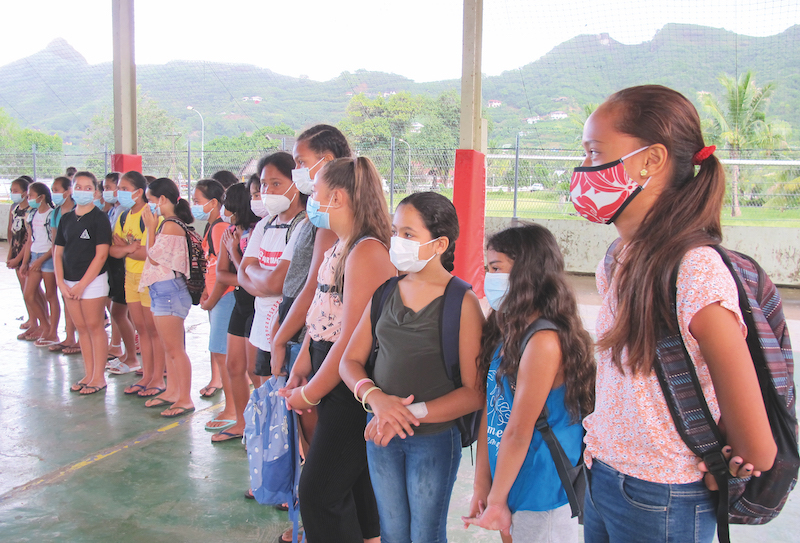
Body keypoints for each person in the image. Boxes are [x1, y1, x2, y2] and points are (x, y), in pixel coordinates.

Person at [572, 85, 776, 543]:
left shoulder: (695, 270)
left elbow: (758, 448)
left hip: (663, 498)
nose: (584, 168)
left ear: (651, 160)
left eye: (594, 152)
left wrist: (730, 461)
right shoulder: (618, 259)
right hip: (603, 475)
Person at [340, 191, 485, 542]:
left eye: (408, 234)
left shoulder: (462, 303)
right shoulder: (385, 292)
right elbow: (349, 361)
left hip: (433, 440)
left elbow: (474, 392)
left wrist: (406, 413)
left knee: (425, 534)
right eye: (395, 232)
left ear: (439, 244)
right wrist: (376, 400)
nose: (397, 241)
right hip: (381, 432)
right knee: (391, 531)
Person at [279, 156, 395, 543]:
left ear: (338, 198)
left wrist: (310, 393)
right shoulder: (343, 245)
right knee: (355, 487)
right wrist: (303, 365)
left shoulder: (367, 252)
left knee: (319, 492)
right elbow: (322, 311)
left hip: (349, 387)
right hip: (329, 373)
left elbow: (350, 341)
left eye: (316, 193)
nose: (311, 201)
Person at [462, 224, 596, 542]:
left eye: (497, 268)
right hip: (509, 479)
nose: (489, 278)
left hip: (539, 489)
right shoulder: (509, 331)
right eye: (488, 268)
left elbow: (519, 431)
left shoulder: (543, 341)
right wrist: (484, 484)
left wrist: (497, 498)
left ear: (528, 272)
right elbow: (492, 410)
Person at [235, 152, 306, 440]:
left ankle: (292, 453)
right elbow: (242, 274)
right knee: (265, 390)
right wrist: (263, 280)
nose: (267, 191)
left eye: (276, 183)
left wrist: (258, 276)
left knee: (288, 399)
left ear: (295, 183)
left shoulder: (302, 226)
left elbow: (278, 283)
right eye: (264, 184)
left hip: (287, 328)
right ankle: (269, 446)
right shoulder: (265, 224)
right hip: (261, 325)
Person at [204, 181, 262, 437]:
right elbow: (222, 274)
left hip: (258, 306)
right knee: (233, 366)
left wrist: (236, 257)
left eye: (228, 204)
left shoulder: (258, 231)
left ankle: (261, 426)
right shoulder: (229, 231)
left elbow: (256, 277)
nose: (224, 210)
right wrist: (244, 277)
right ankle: (242, 422)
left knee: (255, 371)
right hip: (241, 303)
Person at [139, 177, 195, 418]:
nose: (148, 206)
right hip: (162, 290)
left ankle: (184, 398)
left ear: (161, 199)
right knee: (169, 347)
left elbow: (153, 257)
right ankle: (172, 391)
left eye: (150, 200)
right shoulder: (168, 224)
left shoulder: (170, 225)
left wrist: (150, 228)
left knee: (175, 349)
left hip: (169, 291)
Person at [54, 171, 112, 395]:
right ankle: (89, 374)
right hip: (69, 282)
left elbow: (101, 255)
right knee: (82, 329)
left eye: (88, 188)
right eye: (78, 186)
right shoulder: (67, 218)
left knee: (95, 327)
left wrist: (82, 285)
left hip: (93, 282)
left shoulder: (99, 218)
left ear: (96, 192)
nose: (83, 191)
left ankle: (99, 377)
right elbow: (58, 253)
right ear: (72, 189)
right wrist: (61, 282)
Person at [111, 171, 166, 398]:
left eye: (125, 188)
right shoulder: (124, 216)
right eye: (119, 188)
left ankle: (157, 378)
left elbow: (148, 253)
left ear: (139, 191)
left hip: (149, 278)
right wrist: (130, 249)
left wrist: (126, 248)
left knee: (153, 330)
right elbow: (113, 249)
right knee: (141, 329)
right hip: (130, 277)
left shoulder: (151, 216)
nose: (120, 192)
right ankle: (147, 375)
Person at [192, 178, 232, 399]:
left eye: (198, 201)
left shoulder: (220, 228)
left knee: (221, 350)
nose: (194, 206)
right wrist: (207, 292)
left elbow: (223, 272)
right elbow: (212, 265)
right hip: (216, 296)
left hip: (224, 297)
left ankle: (231, 405)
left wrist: (212, 298)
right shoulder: (212, 226)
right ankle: (218, 382)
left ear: (214, 202)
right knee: (217, 347)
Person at [21, 182, 60, 347]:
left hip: (48, 257)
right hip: (35, 256)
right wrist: (25, 262)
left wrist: (41, 260)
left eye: (30, 195)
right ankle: (45, 325)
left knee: (51, 295)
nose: (28, 198)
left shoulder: (52, 214)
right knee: (29, 294)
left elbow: (55, 243)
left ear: (41, 197)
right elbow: (30, 240)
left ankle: (53, 332)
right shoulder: (32, 214)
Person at [7, 177, 45, 341]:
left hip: (27, 256)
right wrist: (11, 254)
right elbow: (12, 233)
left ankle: (42, 322)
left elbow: (29, 239)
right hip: (17, 254)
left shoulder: (30, 212)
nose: (13, 194)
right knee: (26, 291)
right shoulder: (15, 209)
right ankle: (33, 320)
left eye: (16, 191)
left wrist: (20, 259)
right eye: (11, 191)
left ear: (24, 193)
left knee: (33, 292)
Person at [49, 176, 79, 354]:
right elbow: (55, 241)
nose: (54, 193)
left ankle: (82, 339)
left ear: (68, 192)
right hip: (63, 261)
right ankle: (69, 337)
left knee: (80, 301)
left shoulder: (78, 210)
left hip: (78, 262)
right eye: (52, 190)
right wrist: (57, 263)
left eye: (57, 190)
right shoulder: (56, 213)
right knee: (66, 298)